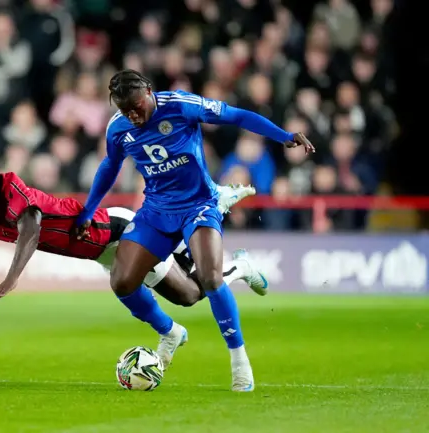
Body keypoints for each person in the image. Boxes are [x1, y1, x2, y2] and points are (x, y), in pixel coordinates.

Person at [73, 70, 315, 392]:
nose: (133, 115)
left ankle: (239, 360)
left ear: (149, 90)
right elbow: (110, 166)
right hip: (157, 210)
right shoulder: (118, 128)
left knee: (210, 279)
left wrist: (283, 135)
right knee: (122, 281)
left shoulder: (181, 106)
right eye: (125, 110)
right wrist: (88, 210)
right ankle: (174, 327)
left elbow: (236, 115)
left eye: (136, 106)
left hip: (198, 204)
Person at [0, 155, 265, 341]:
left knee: (192, 293)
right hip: (100, 251)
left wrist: (12, 278)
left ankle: (237, 265)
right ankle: (173, 330)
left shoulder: (13, 194)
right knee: (182, 292)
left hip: (116, 231)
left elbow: (31, 225)